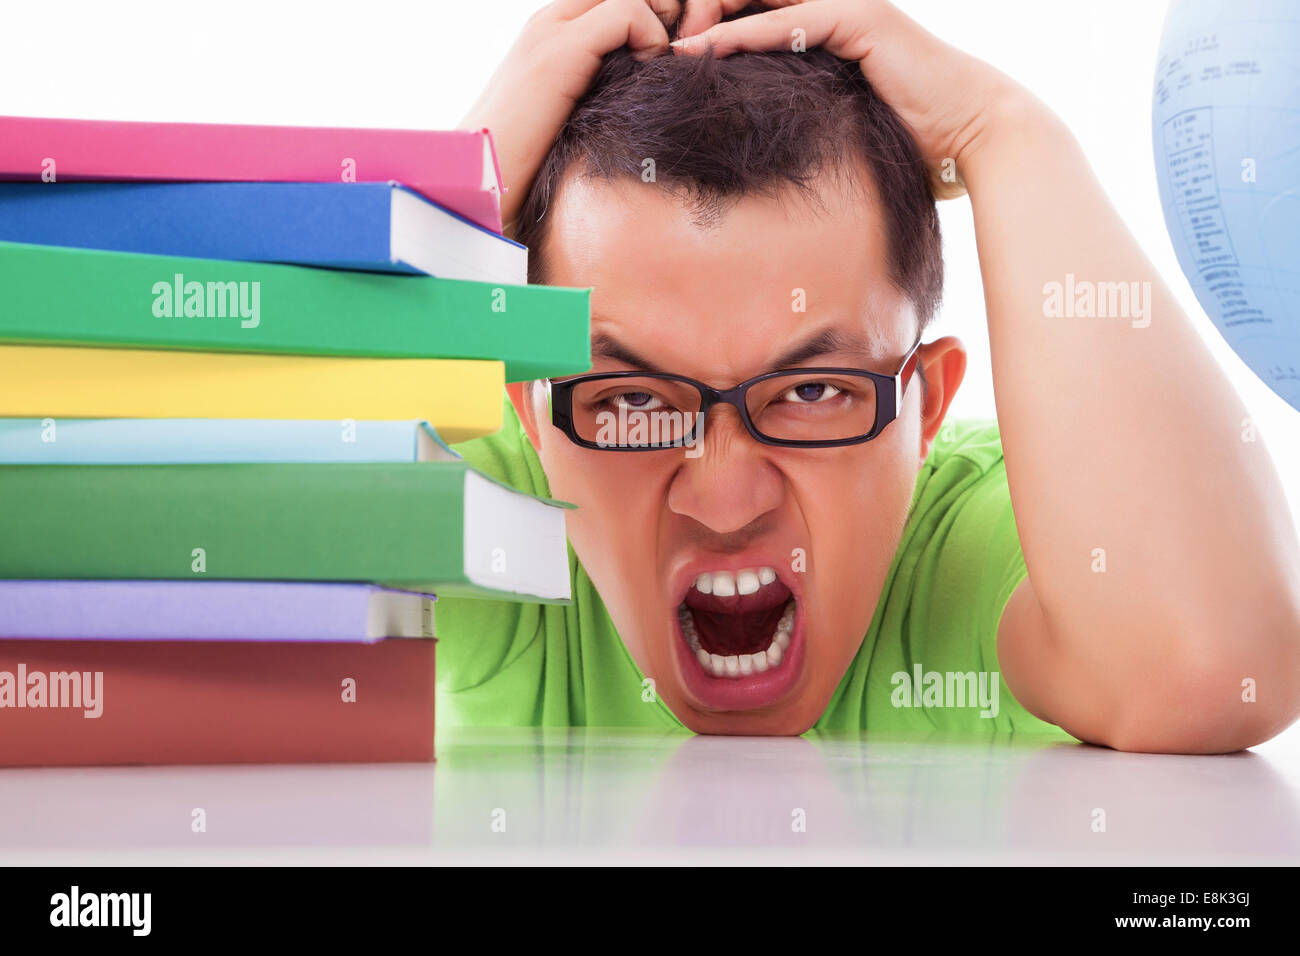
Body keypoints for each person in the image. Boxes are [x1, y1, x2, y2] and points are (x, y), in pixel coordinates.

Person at [434, 0, 1300, 752]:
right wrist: (440, 207)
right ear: (529, 411)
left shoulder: (1002, 546)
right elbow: (294, 517)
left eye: (814, 391)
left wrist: (1001, 131)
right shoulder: (499, 526)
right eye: (630, 399)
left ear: (927, 407)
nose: (726, 500)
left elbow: (1212, 671)